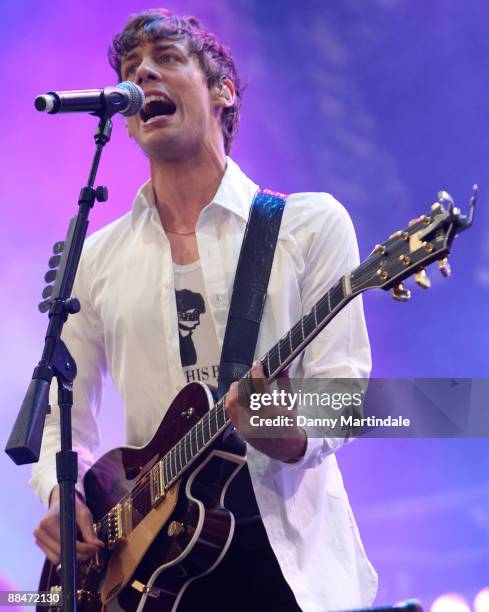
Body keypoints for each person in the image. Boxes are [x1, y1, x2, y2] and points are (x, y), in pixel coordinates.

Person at [31, 8, 377, 611]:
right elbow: (63, 413)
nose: (143, 75)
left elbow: (344, 388)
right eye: (130, 69)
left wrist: (289, 432)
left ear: (223, 91)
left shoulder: (307, 223)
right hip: (151, 572)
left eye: (167, 59)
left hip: (289, 562)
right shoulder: (95, 257)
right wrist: (67, 500)